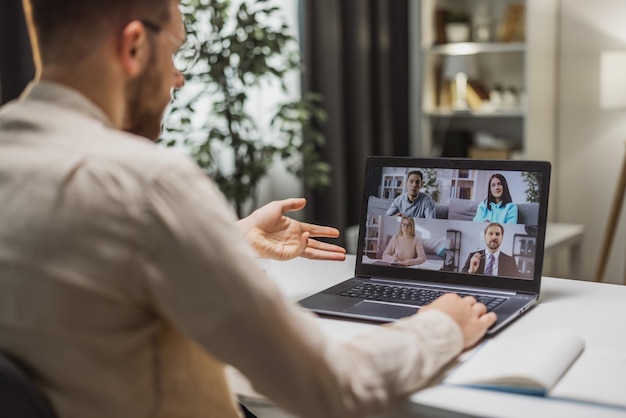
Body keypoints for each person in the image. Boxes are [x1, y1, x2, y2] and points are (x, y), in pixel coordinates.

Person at [0, 1, 497, 418]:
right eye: (177, 50)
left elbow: (81, 266)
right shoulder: (146, 184)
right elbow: (331, 388)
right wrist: (443, 325)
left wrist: (226, 240)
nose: (179, 77)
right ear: (132, 46)